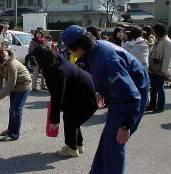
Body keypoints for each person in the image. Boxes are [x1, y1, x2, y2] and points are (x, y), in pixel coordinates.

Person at [60, 25, 149, 174]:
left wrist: (125, 125)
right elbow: (111, 80)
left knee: (114, 145)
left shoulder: (106, 62)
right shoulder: (95, 49)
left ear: (79, 47)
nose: (68, 50)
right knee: (106, 142)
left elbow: (131, 95)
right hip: (119, 97)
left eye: (69, 47)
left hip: (129, 101)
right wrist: (104, 90)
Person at [32, 46, 97, 157]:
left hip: (87, 97)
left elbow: (57, 96)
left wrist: (54, 121)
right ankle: (78, 145)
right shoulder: (54, 63)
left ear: (40, 59)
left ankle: (71, 148)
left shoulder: (58, 70)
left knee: (70, 118)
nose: (34, 60)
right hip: (79, 95)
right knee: (72, 116)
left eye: (35, 58)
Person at [0, 42, 31, 141]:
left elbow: (11, 83)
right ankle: (10, 129)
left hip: (23, 84)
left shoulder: (12, 63)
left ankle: (14, 134)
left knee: (16, 110)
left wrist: (0, 96)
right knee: (12, 109)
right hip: (13, 86)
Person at [146, 23, 171, 113]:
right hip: (153, 68)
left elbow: (167, 58)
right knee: (153, 88)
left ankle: (160, 106)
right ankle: (152, 105)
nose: (153, 32)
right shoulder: (157, 40)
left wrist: (164, 71)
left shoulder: (167, 41)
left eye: (154, 30)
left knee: (160, 88)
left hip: (160, 70)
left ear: (158, 31)